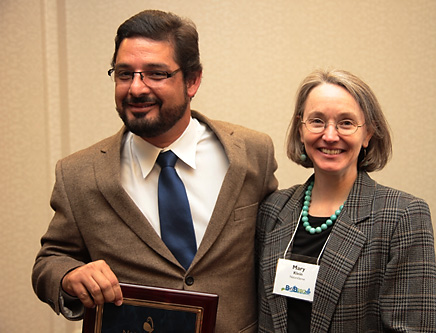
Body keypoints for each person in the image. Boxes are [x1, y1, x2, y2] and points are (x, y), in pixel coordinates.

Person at [32, 9, 278, 332]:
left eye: (155, 73)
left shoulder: (251, 154)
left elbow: (274, 247)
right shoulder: (78, 174)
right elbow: (49, 261)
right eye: (124, 74)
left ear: (192, 80)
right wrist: (68, 277)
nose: (136, 89)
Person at [256, 69, 436, 332]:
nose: (330, 136)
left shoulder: (403, 216)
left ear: (368, 134)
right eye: (317, 121)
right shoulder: (273, 209)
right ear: (300, 129)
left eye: (346, 123)